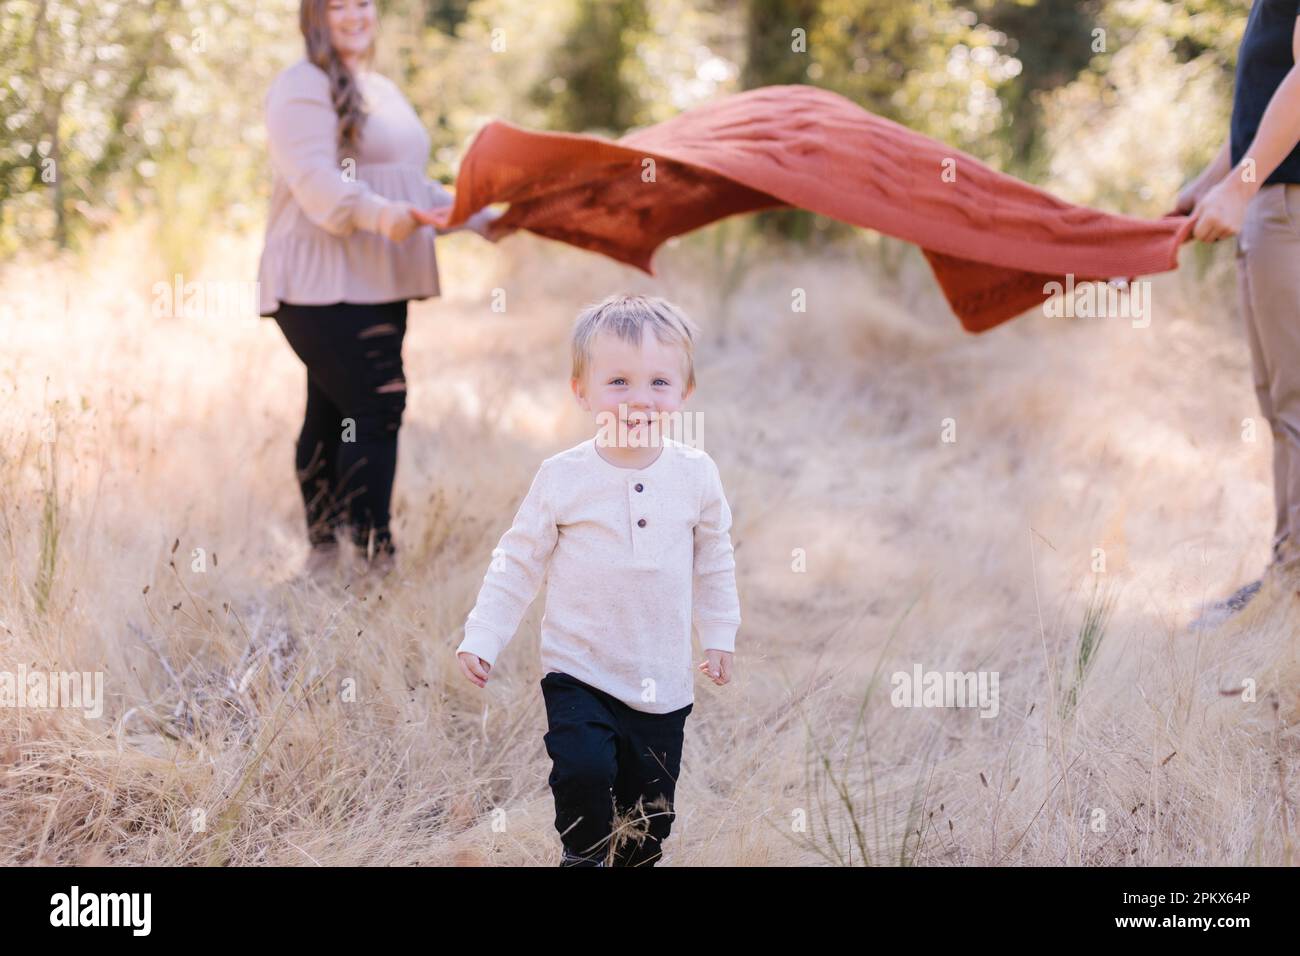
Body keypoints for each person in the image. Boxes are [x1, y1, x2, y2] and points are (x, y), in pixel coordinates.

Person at [455, 294, 742, 866]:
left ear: (685, 392)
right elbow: (518, 560)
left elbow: (714, 558)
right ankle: (581, 855)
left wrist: (719, 633)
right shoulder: (564, 477)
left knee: (649, 815)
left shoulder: (695, 475)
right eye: (618, 381)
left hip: (662, 678)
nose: (639, 399)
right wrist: (483, 634)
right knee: (583, 771)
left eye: (659, 382)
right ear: (580, 390)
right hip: (579, 669)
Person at [256, 0, 500, 580]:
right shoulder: (301, 87)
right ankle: (371, 562)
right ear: (314, 15)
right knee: (375, 404)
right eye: (337, 4)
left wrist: (480, 216)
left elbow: (407, 184)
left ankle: (324, 556)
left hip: (377, 278)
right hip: (321, 282)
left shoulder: (381, 87)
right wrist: (386, 216)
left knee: (334, 408)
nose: (354, 14)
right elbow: (318, 185)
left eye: (363, 1)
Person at [1180, 1, 1300, 624]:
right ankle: (1286, 581)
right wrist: (1211, 184)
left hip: (1289, 206)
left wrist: (1241, 186)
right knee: (1280, 407)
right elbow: (1262, 108)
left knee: (1297, 404)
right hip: (1272, 205)